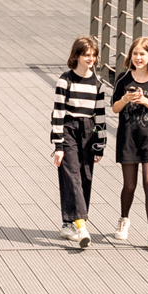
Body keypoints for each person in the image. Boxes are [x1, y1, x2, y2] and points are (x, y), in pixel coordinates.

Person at [49, 36, 109, 250]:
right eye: (86, 55)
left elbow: (101, 115)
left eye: (93, 55)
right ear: (76, 56)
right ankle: (82, 226)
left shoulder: (98, 82)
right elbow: (58, 112)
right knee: (71, 174)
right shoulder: (66, 80)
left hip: (89, 130)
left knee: (85, 176)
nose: (90, 59)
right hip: (69, 129)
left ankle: (69, 223)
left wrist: (100, 142)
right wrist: (58, 145)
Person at [111, 36, 148, 253]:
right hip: (128, 138)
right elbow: (115, 109)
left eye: (142, 54)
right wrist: (125, 100)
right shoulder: (123, 79)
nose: (138, 58)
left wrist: (145, 101)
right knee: (129, 185)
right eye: (135, 53)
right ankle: (124, 218)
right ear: (130, 55)